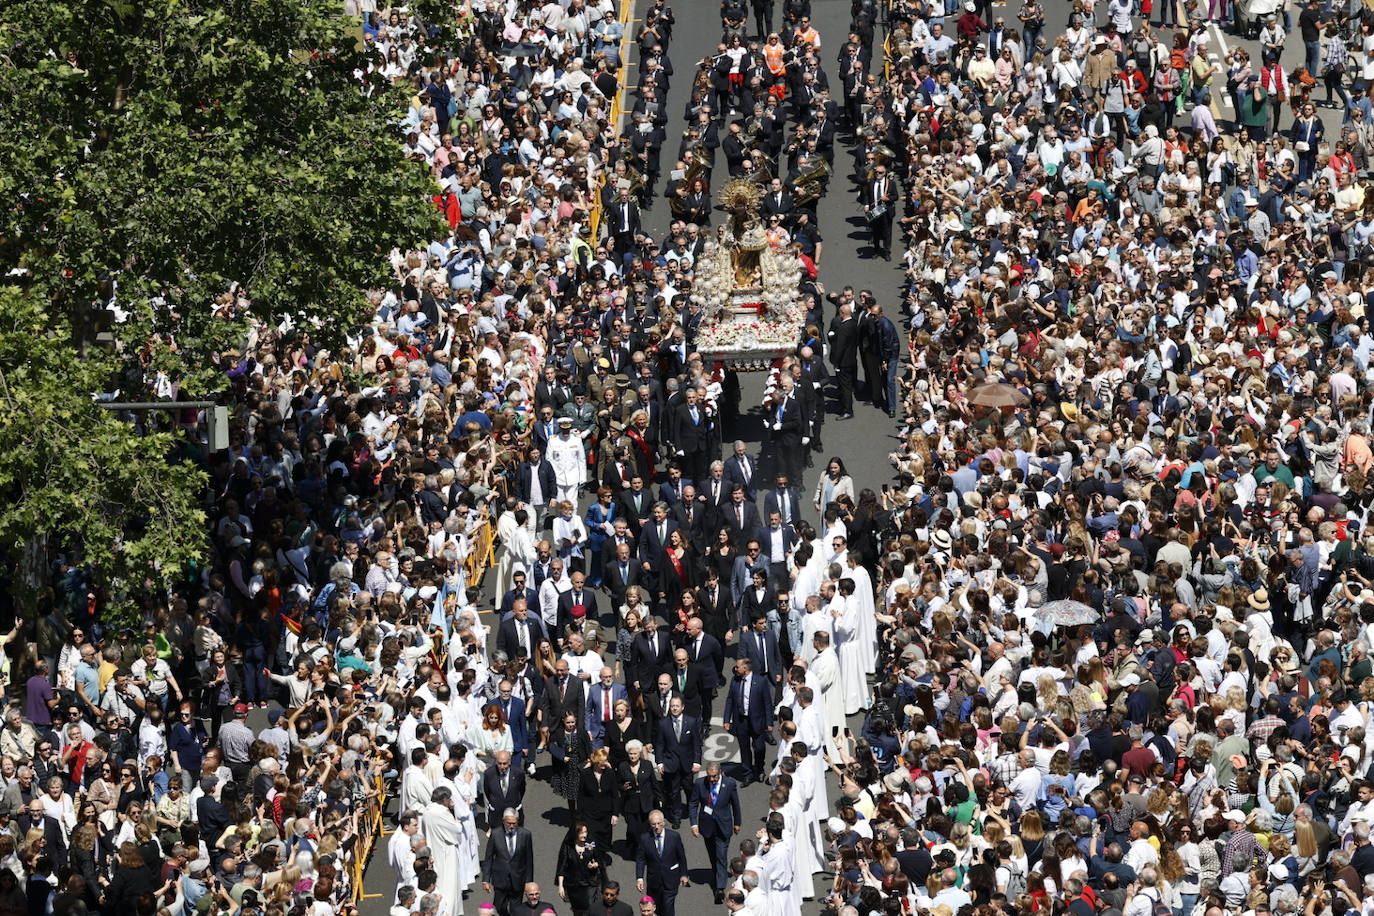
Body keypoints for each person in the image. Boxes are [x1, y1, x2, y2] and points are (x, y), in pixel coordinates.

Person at [688, 764, 742, 904]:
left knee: (721, 856)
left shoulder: (729, 784)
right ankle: (718, 874)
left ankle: (719, 888)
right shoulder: (700, 784)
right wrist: (694, 824)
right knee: (713, 855)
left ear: (720, 773)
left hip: (724, 825)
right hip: (707, 826)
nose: (712, 779)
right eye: (709, 776)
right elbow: (693, 803)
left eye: (715, 776)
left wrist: (737, 822)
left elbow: (735, 804)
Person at [634, 810, 690, 916]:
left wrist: (684, 874)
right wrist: (639, 878)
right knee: (655, 908)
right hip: (654, 881)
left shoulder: (674, 837)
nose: (656, 826)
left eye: (659, 823)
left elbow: (681, 857)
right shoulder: (645, 838)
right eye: (653, 824)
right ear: (650, 825)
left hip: (670, 880)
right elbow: (640, 859)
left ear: (663, 822)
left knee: (668, 906)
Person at [482, 809, 534, 916]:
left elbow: (529, 860)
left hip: (518, 879)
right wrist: (486, 880)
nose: (511, 826)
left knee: (516, 910)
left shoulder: (525, 835)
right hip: (500, 879)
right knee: (499, 907)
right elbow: (488, 858)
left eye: (514, 823)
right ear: (503, 821)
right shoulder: (495, 834)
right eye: (508, 823)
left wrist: (529, 881)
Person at [555, 822, 608, 916]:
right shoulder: (568, 847)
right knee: (578, 911)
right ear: (575, 833)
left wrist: (595, 864)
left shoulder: (590, 845)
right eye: (582, 833)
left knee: (590, 908)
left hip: (590, 884)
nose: (584, 835)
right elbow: (562, 868)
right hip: (575, 886)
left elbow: (600, 861)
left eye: (586, 832)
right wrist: (560, 886)